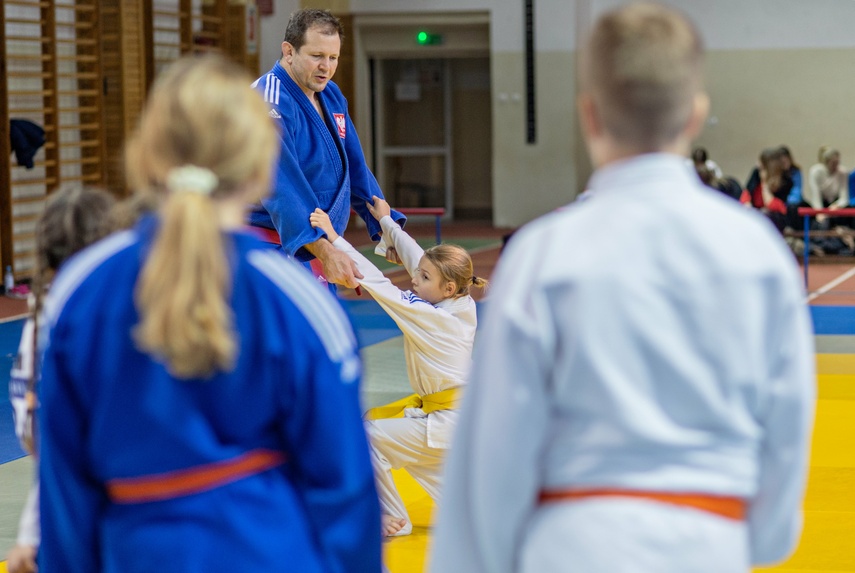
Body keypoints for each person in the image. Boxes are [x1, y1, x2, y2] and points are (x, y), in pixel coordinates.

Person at [431, 4, 815, 573]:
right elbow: (786, 426)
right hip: (709, 540)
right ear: (695, 114)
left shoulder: (541, 255)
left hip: (570, 544)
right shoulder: (756, 251)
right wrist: (750, 539)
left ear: (589, 116)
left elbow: (493, 449)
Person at [38, 54, 381, 573]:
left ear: (147, 156)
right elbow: (345, 494)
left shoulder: (81, 294)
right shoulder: (295, 300)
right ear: (260, 165)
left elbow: (64, 498)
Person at [310, 198, 487, 537]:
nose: (414, 280)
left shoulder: (434, 318)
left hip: (447, 424)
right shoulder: (461, 302)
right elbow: (418, 258)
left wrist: (335, 239)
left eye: (423, 278)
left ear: (446, 288)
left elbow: (379, 284)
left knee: (368, 440)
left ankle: (394, 519)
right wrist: (389, 223)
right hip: (455, 421)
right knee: (458, 501)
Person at [250, 8, 406, 288]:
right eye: (317, 56)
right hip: (273, 242)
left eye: (333, 57)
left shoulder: (331, 95)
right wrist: (323, 248)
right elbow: (280, 186)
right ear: (289, 51)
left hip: (317, 240)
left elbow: (354, 168)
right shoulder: (268, 100)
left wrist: (386, 226)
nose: (326, 66)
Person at [6, 186, 116, 573]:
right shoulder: (130, 315)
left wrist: (30, 535)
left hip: (76, 521)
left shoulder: (45, 323)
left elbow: (46, 444)